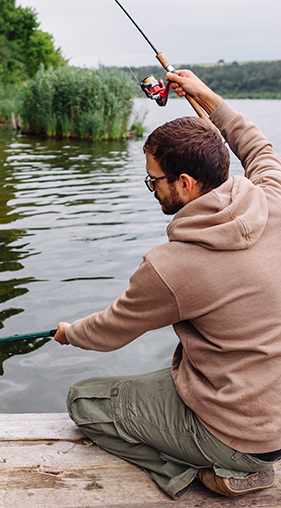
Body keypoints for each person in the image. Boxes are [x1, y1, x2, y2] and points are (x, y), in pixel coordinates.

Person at [54, 70, 281, 499]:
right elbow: (256, 144)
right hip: (274, 416)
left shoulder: (171, 267)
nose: (151, 189)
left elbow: (109, 331)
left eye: (154, 180)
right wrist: (205, 95)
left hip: (240, 434)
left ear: (185, 183)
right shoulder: (273, 195)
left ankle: (199, 473)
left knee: (84, 402)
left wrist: (69, 334)